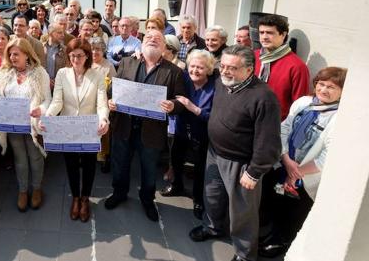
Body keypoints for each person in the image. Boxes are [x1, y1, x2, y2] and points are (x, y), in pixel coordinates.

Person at [189, 45, 281, 261]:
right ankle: (212, 228)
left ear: (249, 70)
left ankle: (245, 253)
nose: (225, 71)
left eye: (232, 68)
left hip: (241, 163)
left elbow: (269, 142)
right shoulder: (222, 82)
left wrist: (254, 172)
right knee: (211, 196)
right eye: (223, 66)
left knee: (243, 212)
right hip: (215, 152)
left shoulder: (264, 97)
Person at [259, 67, 347, 258]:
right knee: (276, 202)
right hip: (285, 164)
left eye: (331, 87)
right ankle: (271, 234)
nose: (323, 90)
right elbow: (285, 128)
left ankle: (282, 242)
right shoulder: (304, 103)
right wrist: (287, 160)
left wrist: (297, 171)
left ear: (343, 91)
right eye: (321, 84)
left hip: (305, 176)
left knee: (294, 212)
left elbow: (326, 156)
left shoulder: (339, 118)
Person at [105, 29, 186, 221]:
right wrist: (111, 100)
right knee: (120, 163)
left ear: (164, 47)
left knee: (149, 168)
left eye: (157, 39)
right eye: (148, 38)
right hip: (124, 126)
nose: (152, 41)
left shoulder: (174, 72)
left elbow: (181, 101)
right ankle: (119, 193)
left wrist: (172, 105)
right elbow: (112, 89)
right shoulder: (127, 62)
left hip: (152, 131)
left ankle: (147, 200)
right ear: (141, 43)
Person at [45, 39, 109, 222]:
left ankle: (85, 198)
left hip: (89, 128)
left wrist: (104, 119)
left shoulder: (97, 75)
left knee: (89, 165)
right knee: (71, 164)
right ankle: (75, 197)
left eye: (79, 55)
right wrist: (49, 116)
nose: (75, 59)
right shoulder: (62, 74)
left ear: (87, 56)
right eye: (72, 55)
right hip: (68, 127)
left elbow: (101, 102)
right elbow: (57, 100)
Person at [0, 38, 51, 212]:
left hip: (32, 124)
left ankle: (37, 189)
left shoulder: (40, 73)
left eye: (16, 54)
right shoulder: (4, 72)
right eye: (10, 54)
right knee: (19, 158)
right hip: (13, 125)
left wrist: (40, 109)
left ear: (27, 54)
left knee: (35, 157)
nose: (12, 57)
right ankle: (23, 191)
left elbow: (48, 99)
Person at [161, 50, 217, 221]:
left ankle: (198, 200)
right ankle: (176, 185)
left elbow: (214, 117)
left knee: (200, 168)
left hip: (203, 134)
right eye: (192, 66)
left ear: (208, 69)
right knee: (176, 159)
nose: (195, 70)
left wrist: (192, 107)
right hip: (181, 129)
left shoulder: (216, 86)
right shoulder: (183, 77)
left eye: (200, 67)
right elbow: (165, 64)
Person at [254, 14, 310, 120]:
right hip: (247, 120)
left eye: (270, 33)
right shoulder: (252, 56)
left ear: (283, 35)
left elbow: (299, 105)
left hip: (275, 126)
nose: (264, 37)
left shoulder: (297, 66)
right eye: (261, 32)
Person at [89, 37, 116, 173]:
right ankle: (90, 155)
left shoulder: (108, 66)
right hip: (88, 103)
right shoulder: (86, 64)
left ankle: (105, 157)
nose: (95, 52)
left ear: (103, 51)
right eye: (92, 49)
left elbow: (115, 86)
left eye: (98, 49)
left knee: (104, 132)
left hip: (103, 103)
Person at [43, 24, 67, 89]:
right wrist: (47, 80)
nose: (63, 35)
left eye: (63, 33)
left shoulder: (65, 50)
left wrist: (57, 81)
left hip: (59, 86)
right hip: (42, 85)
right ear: (50, 33)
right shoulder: (41, 48)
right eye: (59, 33)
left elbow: (67, 69)